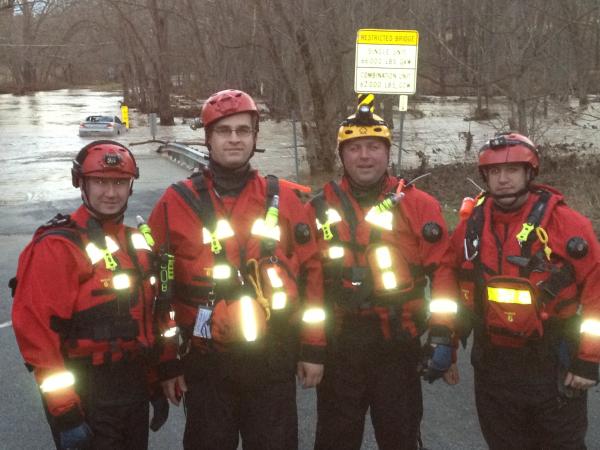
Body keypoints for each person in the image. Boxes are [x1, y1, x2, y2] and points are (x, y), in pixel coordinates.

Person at [148, 88, 326, 450]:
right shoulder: (174, 202)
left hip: (272, 357)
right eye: (224, 131)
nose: (234, 139)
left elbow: (313, 280)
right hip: (205, 361)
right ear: (208, 138)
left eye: (242, 130)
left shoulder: (288, 199)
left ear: (254, 138)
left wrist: (313, 349)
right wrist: (167, 364)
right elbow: (157, 291)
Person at [308, 105, 459, 450]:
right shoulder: (318, 208)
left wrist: (441, 334)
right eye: (354, 148)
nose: (364, 156)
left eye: (373, 147)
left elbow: (444, 274)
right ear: (342, 155)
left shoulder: (418, 205)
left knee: (400, 437)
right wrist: (310, 347)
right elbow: (310, 285)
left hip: (397, 345)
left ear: (388, 153)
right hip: (340, 345)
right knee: (334, 439)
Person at [11, 140, 169, 449]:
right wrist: (65, 412)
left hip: (133, 389)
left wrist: (154, 383)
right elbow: (37, 336)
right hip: (86, 394)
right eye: (100, 181)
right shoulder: (58, 247)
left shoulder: (137, 243)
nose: (111, 193)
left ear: (131, 186)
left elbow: (146, 321)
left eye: (120, 183)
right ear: (81, 183)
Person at [447, 132, 600, 449]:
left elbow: (596, 295)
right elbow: (451, 287)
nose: (502, 179)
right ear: (485, 176)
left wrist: (589, 359)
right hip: (493, 364)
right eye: (494, 172)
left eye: (512, 170)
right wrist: (445, 343)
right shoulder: (469, 228)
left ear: (530, 173)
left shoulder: (567, 225)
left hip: (552, 359)